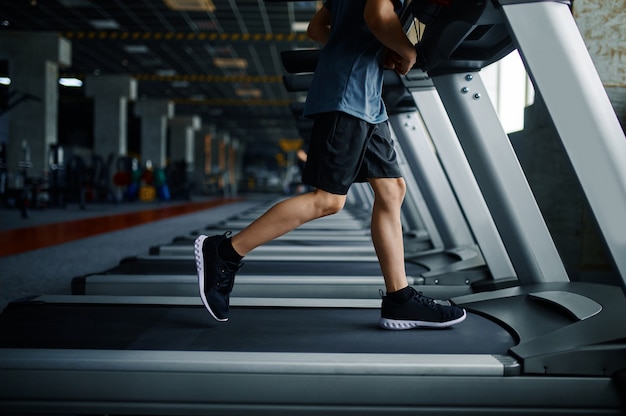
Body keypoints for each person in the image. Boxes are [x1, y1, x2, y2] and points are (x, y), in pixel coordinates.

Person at [194, 0, 467, 330]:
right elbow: (378, 15)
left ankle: (400, 299)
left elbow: (318, 27)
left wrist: (375, 46)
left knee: (392, 190)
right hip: (348, 92)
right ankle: (225, 252)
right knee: (328, 200)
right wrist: (405, 51)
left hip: (366, 96)